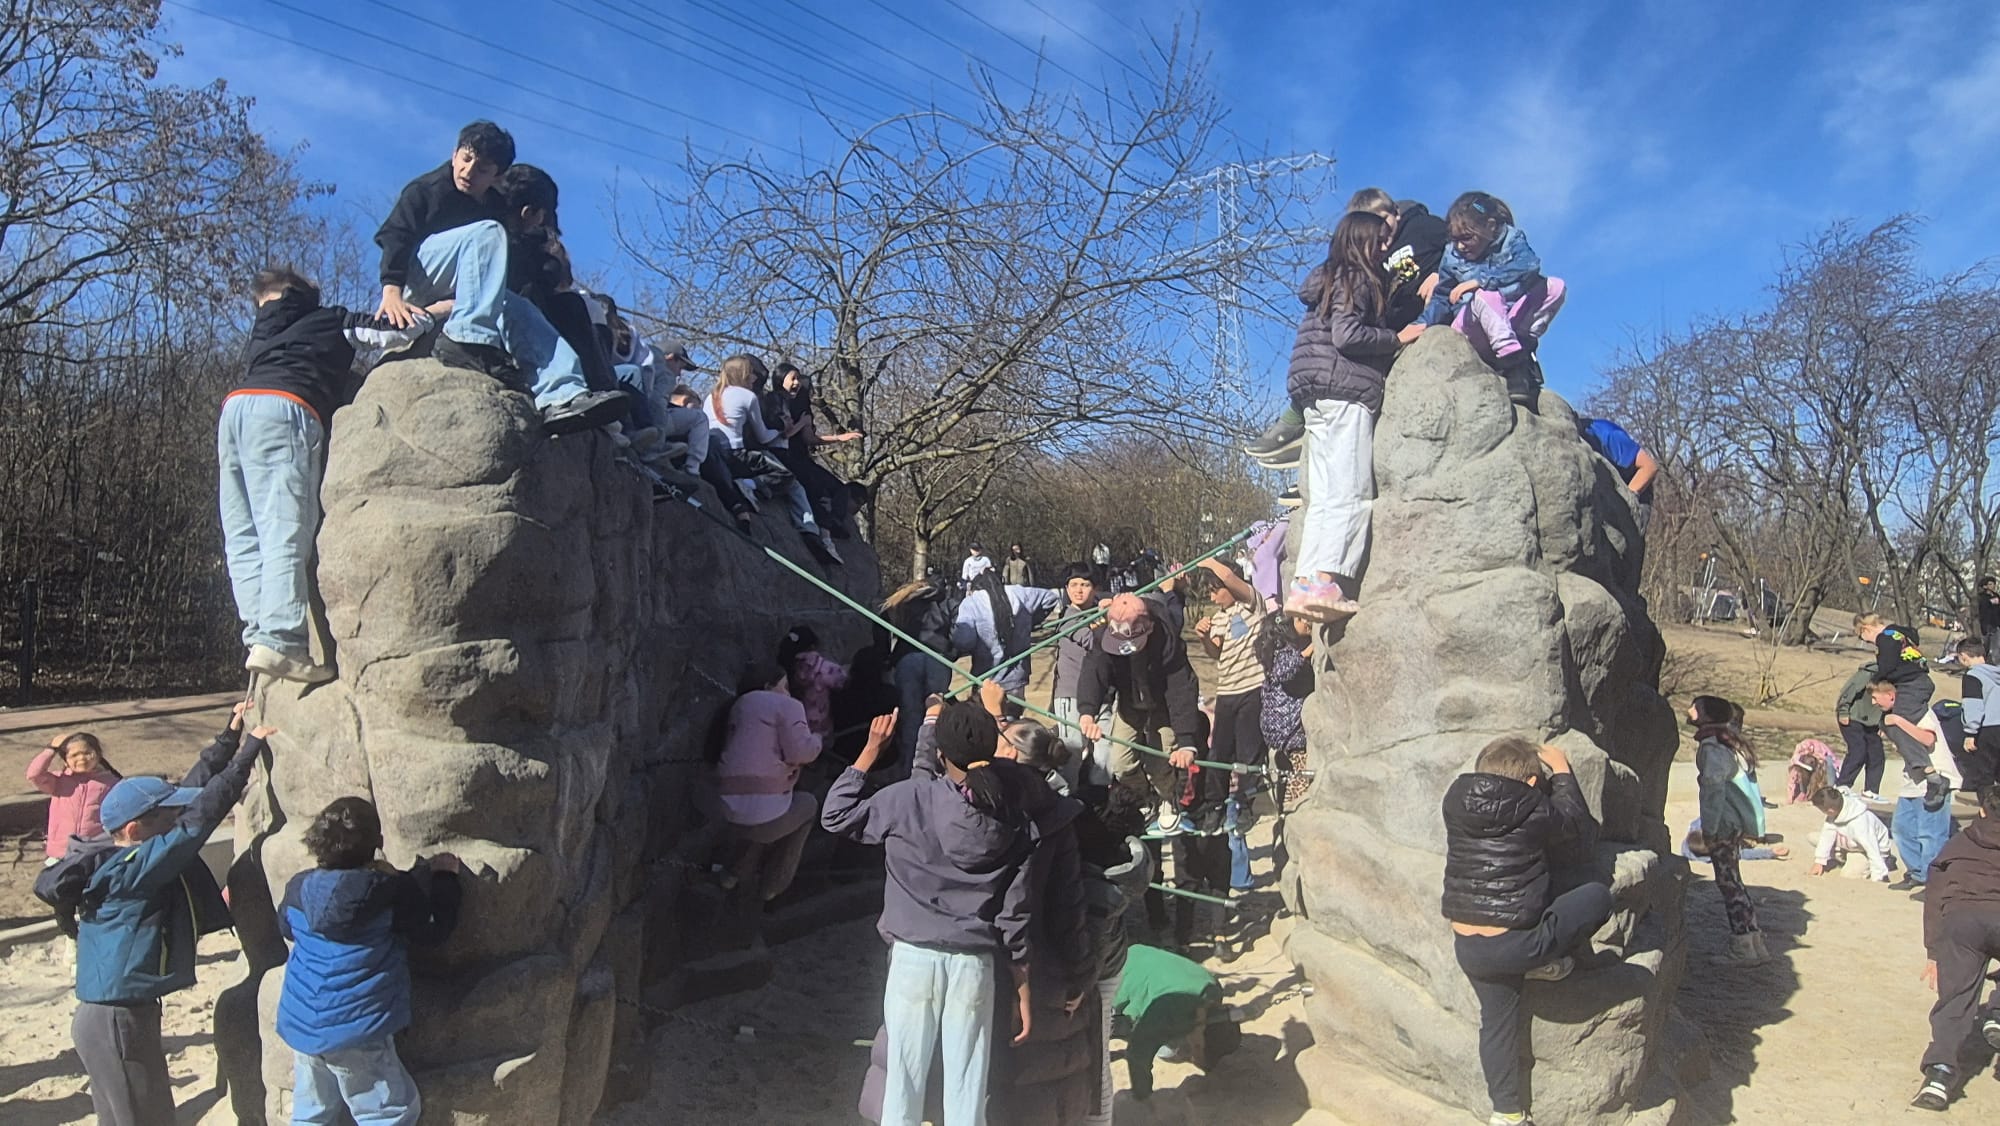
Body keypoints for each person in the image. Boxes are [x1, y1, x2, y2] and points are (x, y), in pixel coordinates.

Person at [40, 704, 271, 1126]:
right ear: (134, 830)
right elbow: (197, 822)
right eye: (164, 816)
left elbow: (189, 799)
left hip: (119, 1016)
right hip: (115, 1020)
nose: (173, 818)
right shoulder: (134, 872)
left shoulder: (130, 852)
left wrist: (228, 737)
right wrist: (248, 754)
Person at [824, 704, 1043, 1126]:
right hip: (975, 964)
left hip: (912, 959)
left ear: (941, 754)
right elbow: (1015, 915)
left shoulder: (908, 800)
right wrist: (1022, 987)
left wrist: (870, 750)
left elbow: (835, 815)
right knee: (968, 1089)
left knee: (902, 1087)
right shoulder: (1014, 819)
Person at [223, 267, 436, 685]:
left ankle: (258, 635)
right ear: (304, 296)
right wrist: (429, 314)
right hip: (285, 406)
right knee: (284, 526)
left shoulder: (263, 335)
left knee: (243, 532)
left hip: (236, 411)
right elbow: (393, 330)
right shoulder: (328, 320)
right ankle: (282, 638)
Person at [371, 122, 624, 433]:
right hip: (419, 276)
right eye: (465, 159)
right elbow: (395, 236)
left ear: (497, 176)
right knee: (489, 233)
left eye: (482, 169)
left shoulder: (493, 205)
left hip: (460, 291)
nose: (468, 171)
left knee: (520, 307)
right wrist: (391, 291)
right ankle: (467, 337)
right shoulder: (427, 190)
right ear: (454, 154)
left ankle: (562, 394)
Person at [1441, 736, 1611, 1126]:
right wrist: (1564, 773)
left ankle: (1507, 1114)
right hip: (1518, 943)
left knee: (1496, 1025)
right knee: (1597, 896)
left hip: (1468, 946)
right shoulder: (1534, 805)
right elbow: (1574, 827)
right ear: (1533, 784)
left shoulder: (1454, 800)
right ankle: (1543, 962)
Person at [276, 797, 462, 1126]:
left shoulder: (298, 888)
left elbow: (287, 929)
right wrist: (445, 880)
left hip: (302, 1024)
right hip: (355, 1031)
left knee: (311, 1115)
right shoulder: (390, 891)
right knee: (390, 1114)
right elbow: (432, 933)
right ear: (377, 843)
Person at [1282, 209, 1423, 622]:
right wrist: (1396, 338)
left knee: (1323, 495)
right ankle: (1329, 580)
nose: (1385, 248)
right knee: (1351, 490)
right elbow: (1348, 335)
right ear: (1362, 241)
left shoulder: (1326, 280)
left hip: (1314, 394)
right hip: (1345, 392)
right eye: (1379, 241)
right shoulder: (1356, 277)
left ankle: (1305, 583)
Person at [1242, 190, 1446, 468]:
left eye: (1384, 221)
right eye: (1372, 225)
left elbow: (1459, 245)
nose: (1381, 233)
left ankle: (1320, 454)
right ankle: (1300, 442)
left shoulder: (1423, 228)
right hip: (1385, 332)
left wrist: (1443, 275)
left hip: (1419, 320)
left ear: (1396, 213)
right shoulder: (1368, 260)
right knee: (1339, 375)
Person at [1074, 592, 1205, 834]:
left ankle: (1168, 799)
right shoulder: (1104, 637)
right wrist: (1087, 713)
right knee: (1120, 763)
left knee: (1163, 755)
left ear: (1150, 627)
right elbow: (1093, 673)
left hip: (1163, 702)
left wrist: (1186, 741)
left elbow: (1182, 690)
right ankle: (1146, 799)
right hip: (1129, 701)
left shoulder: (1168, 642)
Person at [1420, 191, 1567, 406]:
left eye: (1467, 237)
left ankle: (1522, 346)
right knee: (1485, 296)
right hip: (1471, 326)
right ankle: (1512, 364)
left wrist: (1481, 280)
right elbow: (1441, 297)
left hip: (1505, 321)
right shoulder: (1452, 255)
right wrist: (1421, 325)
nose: (1460, 246)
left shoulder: (1512, 239)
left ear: (1490, 226)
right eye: (1456, 239)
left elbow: (1529, 265)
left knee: (1554, 286)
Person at [1908, 782, 2000, 1111]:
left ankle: (1939, 1076)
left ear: (1982, 810)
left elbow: (1934, 893)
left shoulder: (1957, 844)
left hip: (1962, 922)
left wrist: (1933, 951)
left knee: (1956, 999)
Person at [708, 353, 841, 564]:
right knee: (788, 477)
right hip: (738, 455)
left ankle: (811, 529)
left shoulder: (712, 396)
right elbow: (763, 435)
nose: (754, 379)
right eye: (751, 374)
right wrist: (782, 429)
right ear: (742, 374)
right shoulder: (748, 397)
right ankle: (751, 487)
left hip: (715, 455)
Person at [716, 662, 825, 901]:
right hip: (765, 815)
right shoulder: (788, 705)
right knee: (807, 805)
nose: (787, 693)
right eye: (784, 686)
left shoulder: (737, 705)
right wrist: (818, 738)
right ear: (769, 686)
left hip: (726, 810)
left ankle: (733, 873)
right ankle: (773, 885)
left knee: (764, 814)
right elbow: (801, 752)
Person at [1075, 784, 1150, 1126]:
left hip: (1097, 973)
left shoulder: (1101, 891)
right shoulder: (1121, 858)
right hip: (1110, 965)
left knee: (1094, 1057)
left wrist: (1078, 987)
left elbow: (1092, 952)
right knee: (1099, 1052)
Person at [1689, 695, 1770, 965]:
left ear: (1707, 716)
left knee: (1728, 884)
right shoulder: (1729, 743)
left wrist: (1708, 829)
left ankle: (1742, 948)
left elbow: (1713, 790)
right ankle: (1753, 941)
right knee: (1734, 881)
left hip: (1722, 823)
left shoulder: (1713, 748)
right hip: (1734, 822)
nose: (1689, 710)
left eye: (1695, 707)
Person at [1110, 943, 1233, 1102]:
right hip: (1120, 973)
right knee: (1164, 1050)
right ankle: (1118, 1026)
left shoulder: (1214, 990)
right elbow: (1137, 1055)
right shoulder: (1164, 1012)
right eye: (1197, 1048)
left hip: (1141, 954)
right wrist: (1143, 1096)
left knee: (1170, 1048)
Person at [1875, 679, 1964, 890]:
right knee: (1901, 828)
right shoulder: (1891, 717)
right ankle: (1918, 873)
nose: (1873, 701)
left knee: (1931, 832)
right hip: (1913, 781)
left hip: (1937, 778)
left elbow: (1927, 739)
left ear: (1891, 695)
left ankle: (1934, 881)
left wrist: (1898, 721)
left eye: (1876, 697)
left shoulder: (1918, 712)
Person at [1194, 558, 1266, 814]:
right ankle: (1214, 805)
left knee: (1249, 750)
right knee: (1218, 752)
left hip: (1252, 687)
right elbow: (1215, 652)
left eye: (1215, 591)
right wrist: (1203, 637)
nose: (1213, 598)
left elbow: (1230, 578)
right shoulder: (1220, 618)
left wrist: (1210, 562)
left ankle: (1245, 803)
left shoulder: (1252, 603)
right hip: (1226, 690)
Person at [764, 362, 861, 536]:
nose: (798, 384)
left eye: (799, 380)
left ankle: (833, 523)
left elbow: (809, 438)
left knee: (838, 489)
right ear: (780, 379)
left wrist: (839, 438)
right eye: (793, 379)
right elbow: (784, 433)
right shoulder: (773, 401)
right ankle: (821, 525)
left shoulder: (801, 408)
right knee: (812, 488)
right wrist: (801, 424)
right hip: (783, 455)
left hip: (799, 457)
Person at [1855, 613, 1940, 798]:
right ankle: (1917, 761)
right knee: (1888, 723)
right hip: (1918, 681)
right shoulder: (1898, 633)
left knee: (1893, 722)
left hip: (1912, 685)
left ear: (1866, 629)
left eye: (1864, 638)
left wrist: (1873, 682)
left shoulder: (1884, 640)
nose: (1869, 643)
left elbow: (1886, 668)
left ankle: (1929, 771)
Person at [882, 578, 961, 774]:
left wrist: (885, 655)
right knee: (936, 714)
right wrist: (951, 651)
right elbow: (958, 629)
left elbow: (881, 622)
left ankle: (911, 768)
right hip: (938, 659)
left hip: (908, 658)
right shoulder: (946, 600)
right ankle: (936, 765)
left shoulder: (902, 600)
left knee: (911, 717)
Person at [954, 572, 1062, 715]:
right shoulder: (1019, 592)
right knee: (1012, 724)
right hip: (1017, 677)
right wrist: (1030, 621)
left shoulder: (972, 602)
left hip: (986, 679)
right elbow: (1050, 597)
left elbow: (964, 640)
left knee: (987, 727)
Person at [1049, 563, 1115, 786]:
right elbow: (1093, 640)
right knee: (1072, 750)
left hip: (1101, 694)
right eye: (1074, 585)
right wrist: (1105, 616)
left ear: (1095, 588)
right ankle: (1069, 797)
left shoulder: (1100, 609)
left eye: (1085, 585)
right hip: (1071, 694)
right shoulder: (1068, 617)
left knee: (1105, 753)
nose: (1079, 590)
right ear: (1066, 589)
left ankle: (1099, 797)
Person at [26, 732, 120, 862]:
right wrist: (51, 749)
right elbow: (34, 774)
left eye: (87, 753)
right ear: (65, 760)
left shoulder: (110, 783)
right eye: (74, 755)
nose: (81, 758)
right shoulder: (58, 781)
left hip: (94, 849)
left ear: (98, 755)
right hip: (60, 851)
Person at [1574, 417, 1660, 532]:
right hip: (1607, 490)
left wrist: (1626, 501)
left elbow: (1649, 467)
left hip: (1634, 489)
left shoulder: (1609, 435)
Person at [1805, 786, 1895, 882]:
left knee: (1848, 874)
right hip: (1850, 845)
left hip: (1864, 851)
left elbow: (1871, 847)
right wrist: (1819, 861)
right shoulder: (1835, 812)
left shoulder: (1860, 823)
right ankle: (1844, 858)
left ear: (1830, 810)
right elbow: (1827, 834)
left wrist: (1879, 874)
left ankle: (1886, 862)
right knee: (1813, 837)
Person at [780, 625, 849, 745]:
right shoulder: (826, 669)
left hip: (791, 731)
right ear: (813, 646)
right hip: (820, 731)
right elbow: (846, 683)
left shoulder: (785, 668)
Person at [1834, 659, 1888, 800]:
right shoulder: (1869, 672)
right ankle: (1842, 785)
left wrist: (1883, 724)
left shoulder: (1897, 677)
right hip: (1853, 716)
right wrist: (1843, 710)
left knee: (1877, 755)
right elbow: (1849, 690)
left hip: (1874, 722)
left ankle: (1871, 790)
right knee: (1858, 750)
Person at [1958, 638, 2000, 790]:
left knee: (1984, 775)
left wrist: (1970, 733)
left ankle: (1985, 809)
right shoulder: (1996, 674)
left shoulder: (1973, 676)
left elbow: (1973, 706)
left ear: (1964, 656)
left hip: (1989, 729)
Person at [1786, 738, 1841, 804]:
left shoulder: (1822, 752)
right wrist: (1790, 797)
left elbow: (1834, 764)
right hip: (1809, 763)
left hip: (1824, 762)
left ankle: (1828, 793)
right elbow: (1792, 780)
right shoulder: (1799, 753)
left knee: (1829, 766)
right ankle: (1805, 792)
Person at [1977, 576, 2000, 643]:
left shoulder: (1997, 596)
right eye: (1990, 584)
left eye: (1993, 584)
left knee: (1996, 647)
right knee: (1985, 646)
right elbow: (1982, 609)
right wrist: (1990, 602)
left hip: (1996, 625)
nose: (1993, 586)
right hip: (1985, 625)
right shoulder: (1981, 597)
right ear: (1985, 586)